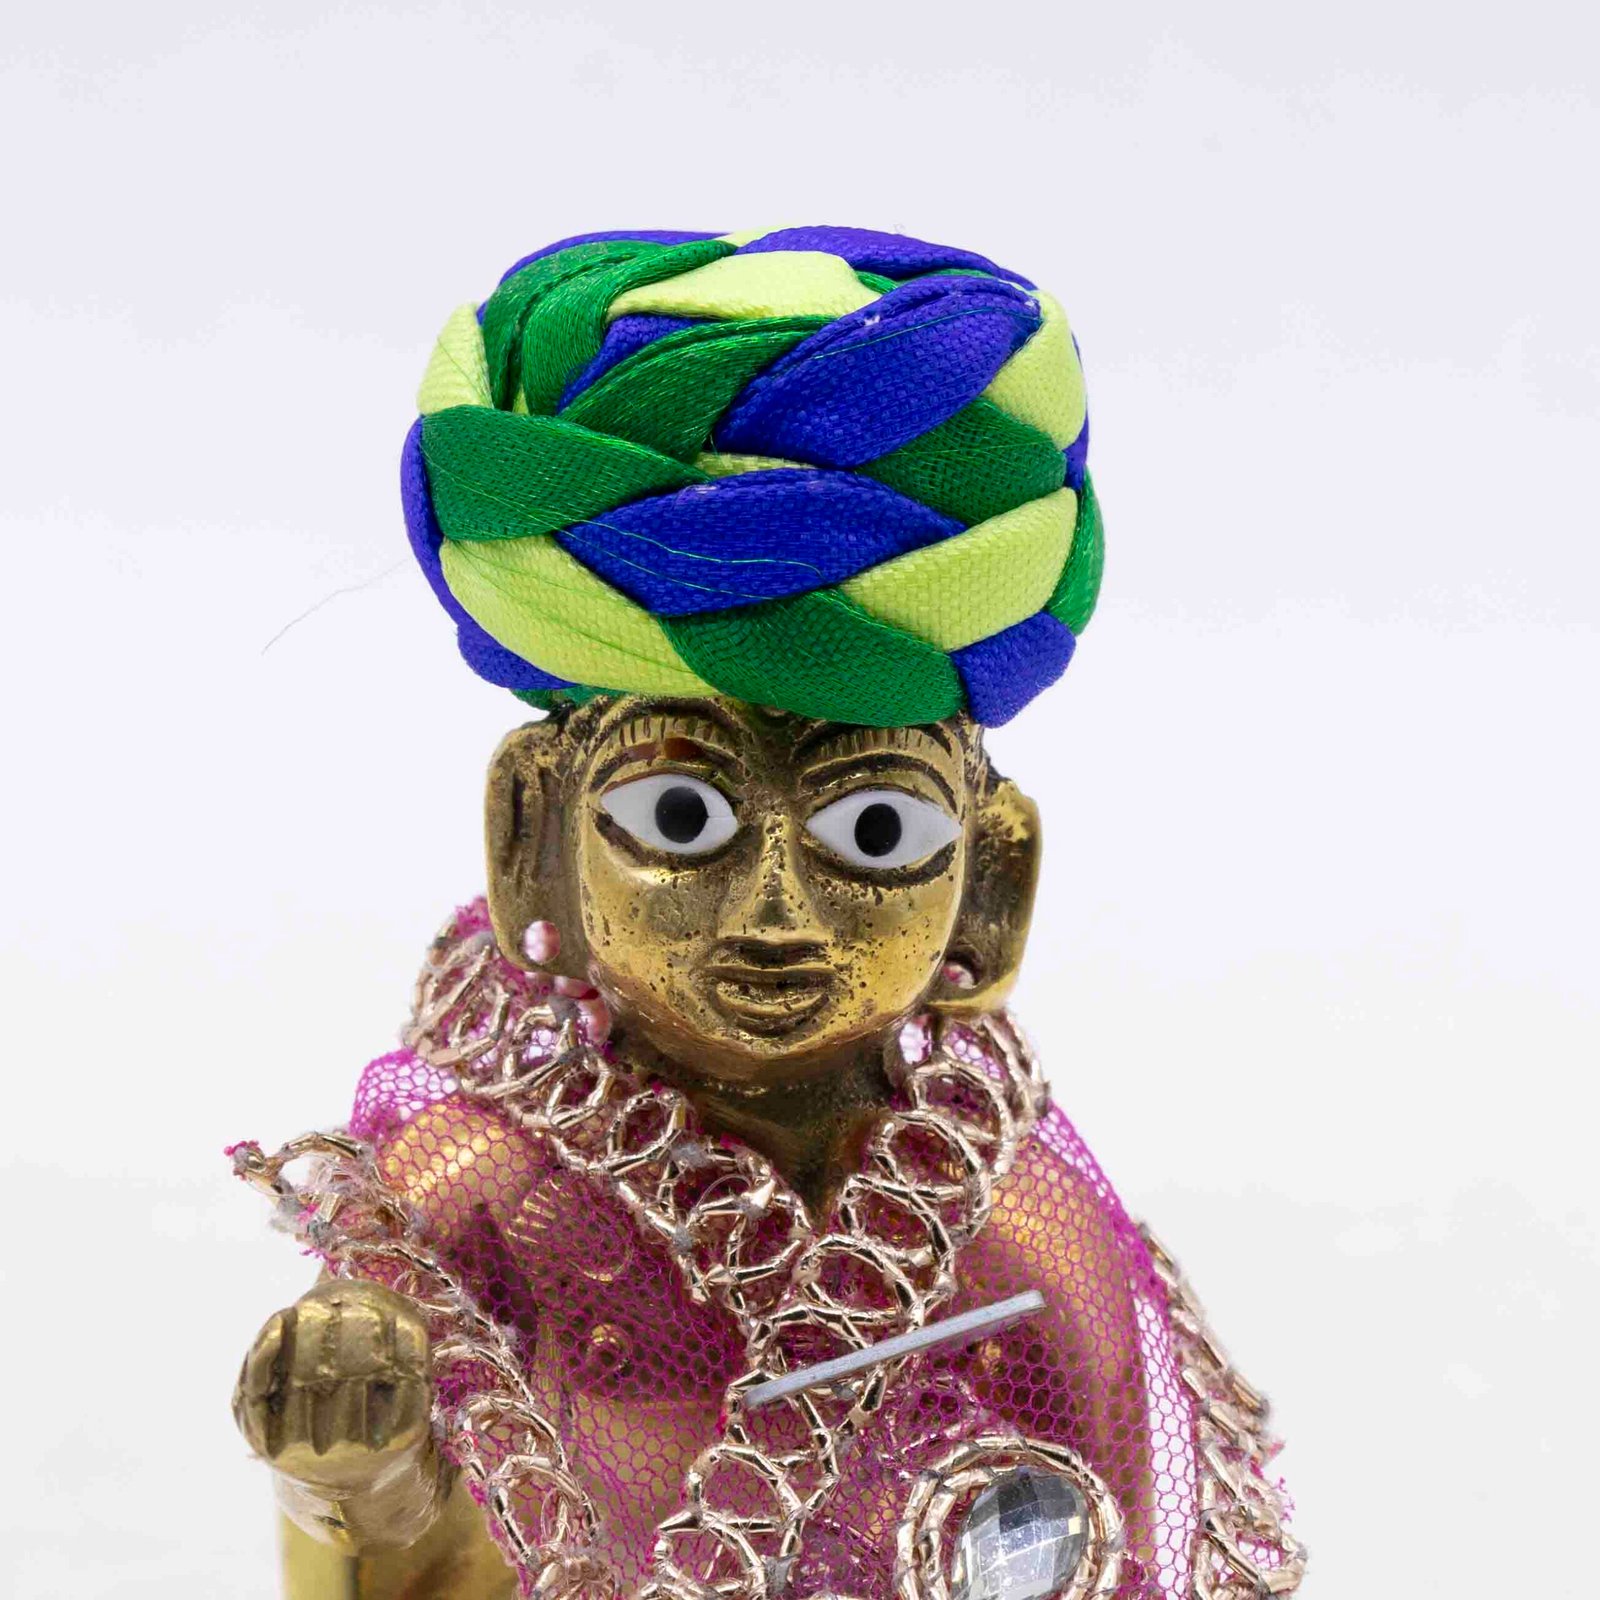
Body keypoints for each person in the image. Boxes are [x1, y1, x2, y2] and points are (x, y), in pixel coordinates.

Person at [231, 227, 1302, 1600]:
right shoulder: (475, 1198)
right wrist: (352, 1464)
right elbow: (401, 1555)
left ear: (992, 886)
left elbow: (1118, 1547)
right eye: (679, 818)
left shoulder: (1025, 1237)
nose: (777, 913)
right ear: (532, 844)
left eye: (878, 832)